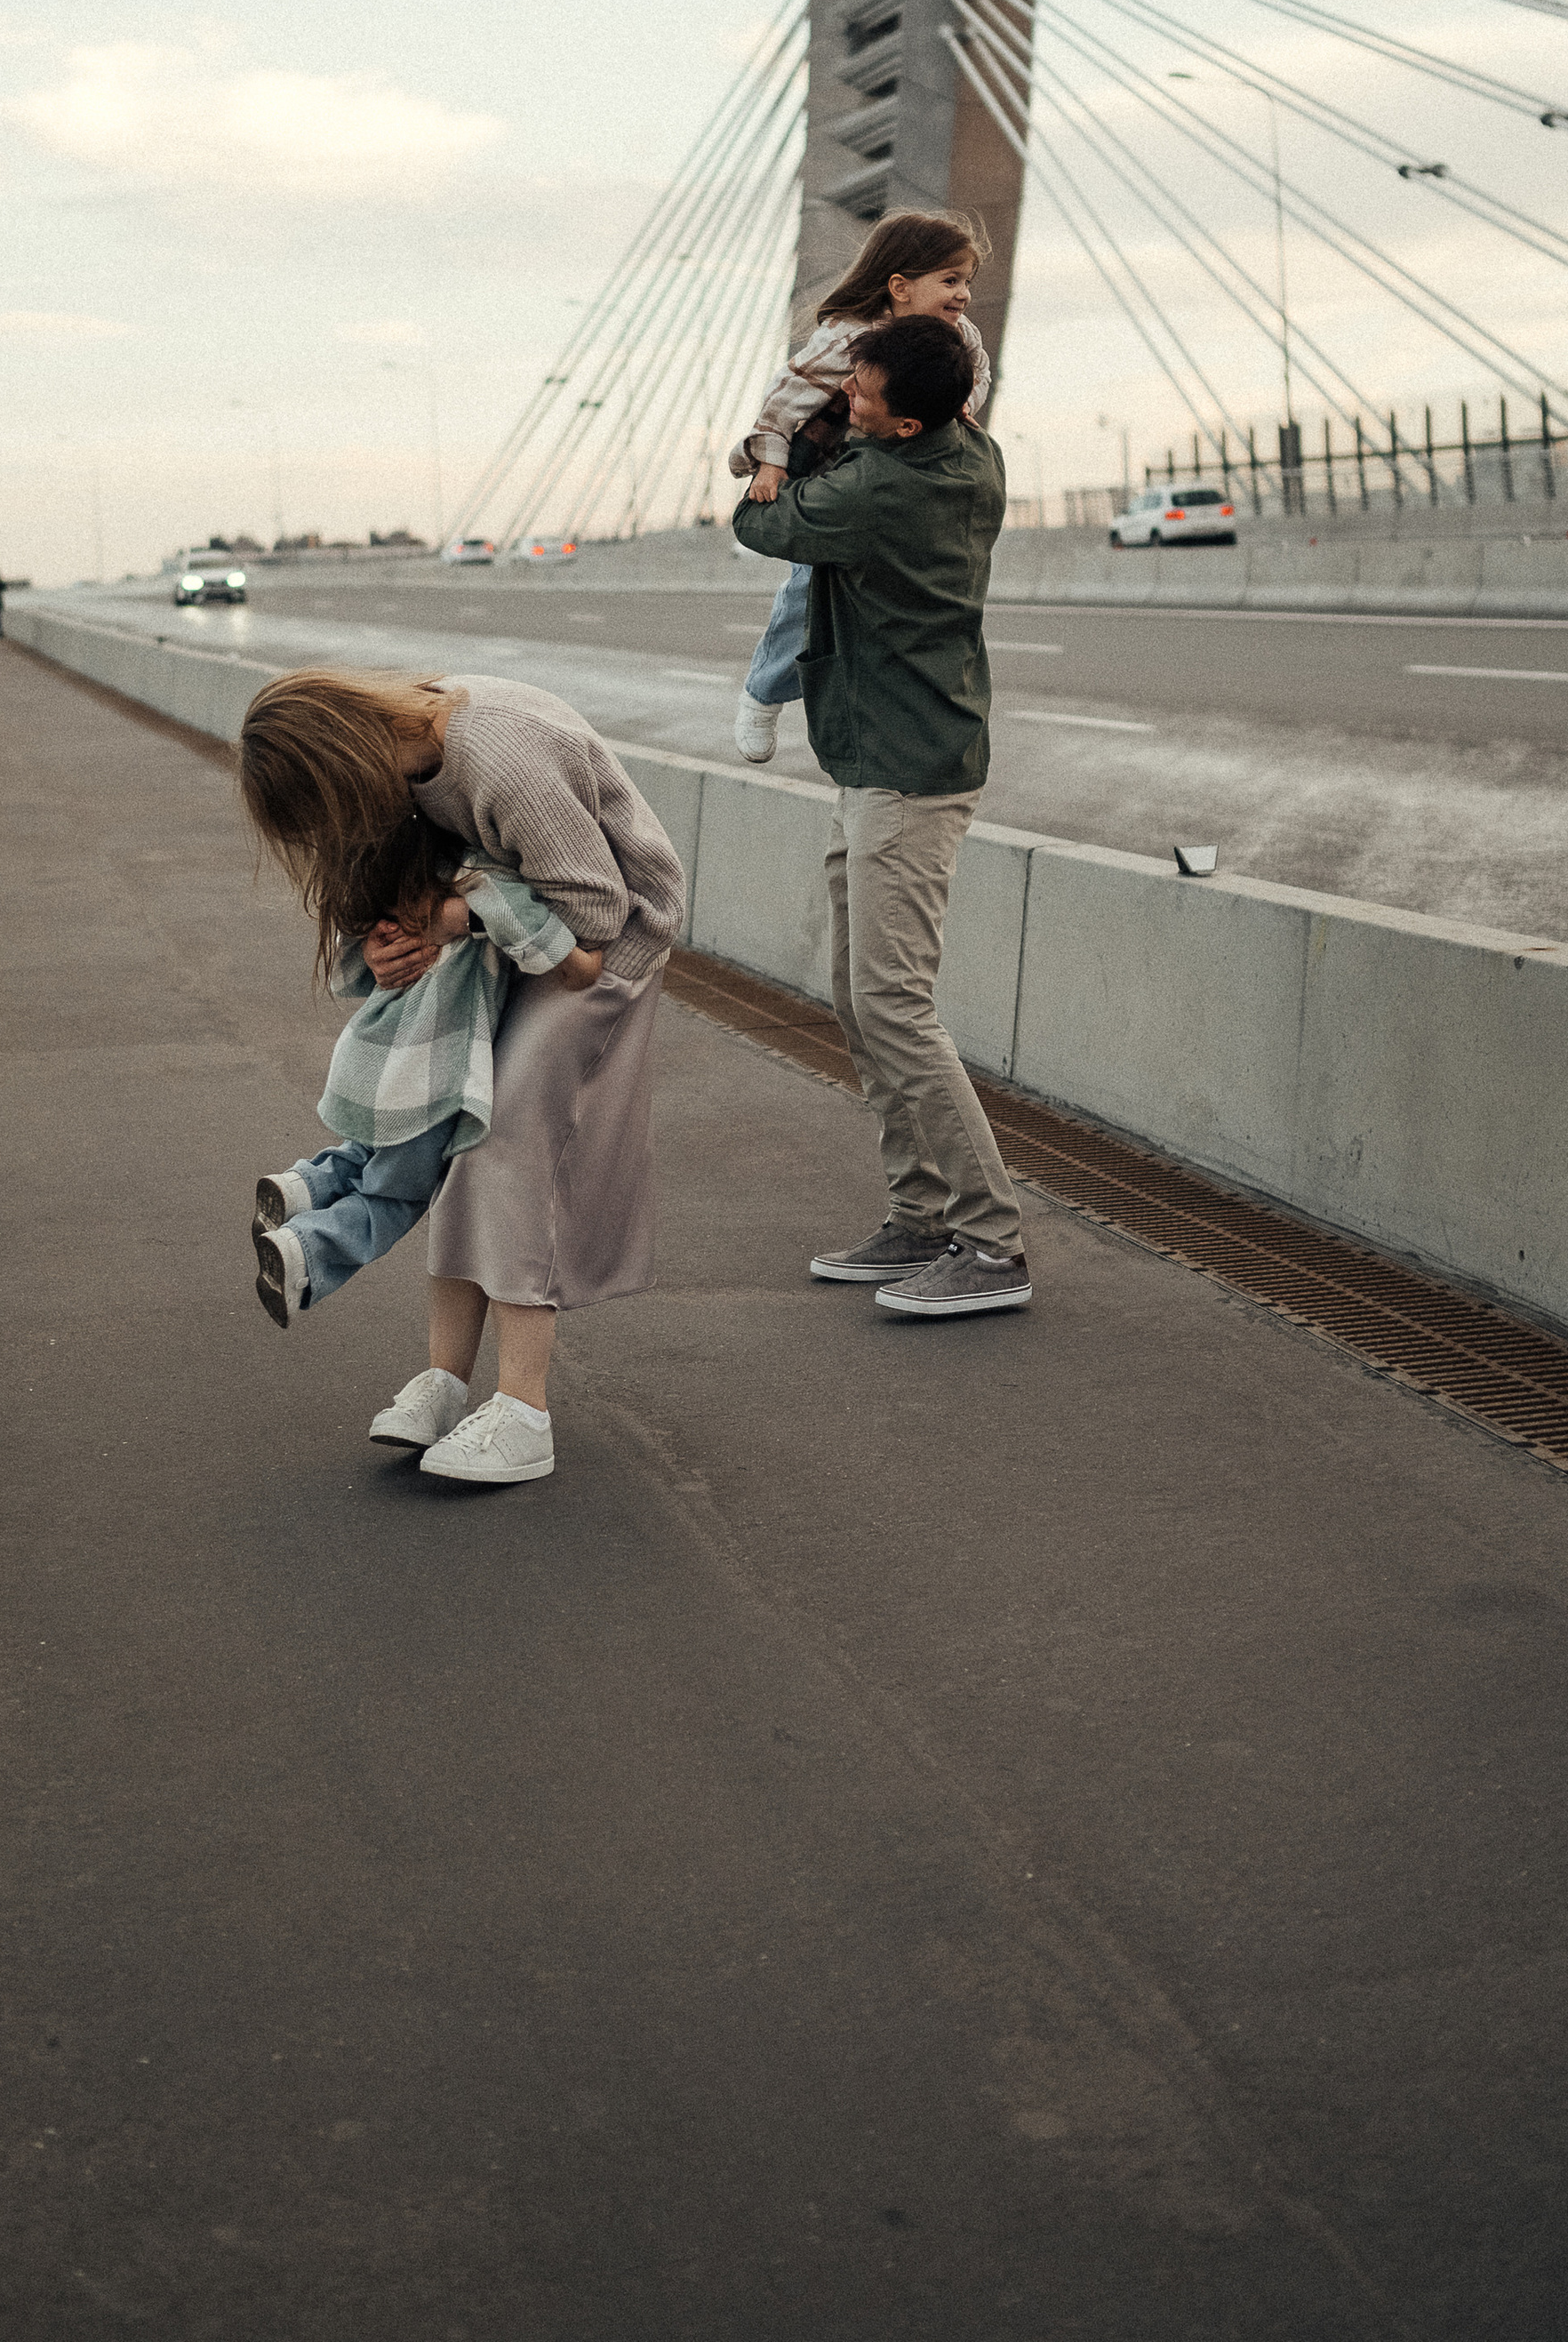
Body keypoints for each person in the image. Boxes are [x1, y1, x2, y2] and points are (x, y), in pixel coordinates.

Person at [237, 668, 685, 1487]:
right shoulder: (406, 751)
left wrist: (450, 917)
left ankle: (525, 1410)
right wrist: (389, 944)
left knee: (507, 1144)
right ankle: (447, 1382)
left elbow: (594, 922)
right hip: (512, 934)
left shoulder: (502, 760)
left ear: (343, 768)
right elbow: (435, 888)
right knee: (451, 1130)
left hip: (608, 947)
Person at [733, 311, 1033, 1321]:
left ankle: (991, 1244)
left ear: (907, 423)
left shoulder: (878, 488)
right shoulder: (972, 453)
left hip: (906, 777)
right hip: (878, 763)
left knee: (895, 1006)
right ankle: (918, 1215)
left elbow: (759, 527)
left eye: (858, 394)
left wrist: (774, 456)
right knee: (860, 999)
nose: (842, 399)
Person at [249, 819, 577, 1326]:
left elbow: (348, 973)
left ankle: (299, 1189)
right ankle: (304, 1253)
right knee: (393, 1198)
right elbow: (544, 947)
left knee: (370, 1154)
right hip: (428, 1082)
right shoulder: (482, 884)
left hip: (371, 1065)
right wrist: (587, 959)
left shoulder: (394, 887)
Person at [730, 208, 994, 765]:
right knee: (805, 596)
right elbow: (786, 396)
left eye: (967, 281)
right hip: (835, 475)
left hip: (899, 478)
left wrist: (962, 407)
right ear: (899, 287)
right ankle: (763, 692)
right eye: (950, 281)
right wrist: (771, 462)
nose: (964, 295)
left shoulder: (960, 336)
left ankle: (870, 711)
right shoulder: (849, 337)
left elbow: (978, 373)